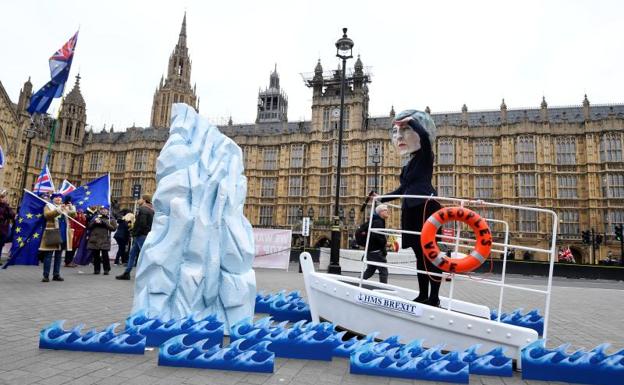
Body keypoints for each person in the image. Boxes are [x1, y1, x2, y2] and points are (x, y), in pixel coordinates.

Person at [379, 109, 443, 307]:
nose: (400, 137)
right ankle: (423, 294)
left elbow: (424, 136)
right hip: (411, 209)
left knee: (430, 253)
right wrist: (381, 198)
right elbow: (403, 189)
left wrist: (412, 121)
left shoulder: (426, 155)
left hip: (425, 206)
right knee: (419, 255)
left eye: (405, 130)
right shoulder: (408, 164)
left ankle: (434, 297)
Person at [40, 192, 76, 282]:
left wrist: (71, 208)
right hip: (52, 232)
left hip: (63, 233)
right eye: (56, 197)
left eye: (60, 198)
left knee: (59, 256)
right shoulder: (48, 206)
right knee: (48, 255)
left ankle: (56, 274)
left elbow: (73, 216)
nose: (58, 199)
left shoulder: (65, 207)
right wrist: (58, 210)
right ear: (53, 199)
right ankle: (46, 275)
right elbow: (47, 215)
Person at [117, 194, 154, 280]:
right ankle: (127, 273)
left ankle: (149, 274)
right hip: (143, 234)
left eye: (140, 198)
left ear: (144, 200)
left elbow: (142, 223)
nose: (138, 200)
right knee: (132, 254)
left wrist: (135, 232)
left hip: (141, 235)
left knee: (144, 255)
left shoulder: (143, 209)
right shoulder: (151, 209)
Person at [362, 204, 390, 284]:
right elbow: (377, 236)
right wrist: (385, 243)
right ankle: (383, 290)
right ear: (380, 212)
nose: (387, 211)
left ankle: (357, 282)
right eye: (385, 210)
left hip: (371, 251)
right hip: (376, 252)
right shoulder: (378, 222)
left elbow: (375, 236)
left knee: (370, 270)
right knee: (383, 271)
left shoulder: (376, 220)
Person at [87, 206, 118, 275]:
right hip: (95, 238)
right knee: (96, 255)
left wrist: (104, 223)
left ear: (108, 211)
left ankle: (106, 269)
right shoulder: (95, 217)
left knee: (105, 255)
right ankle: (96, 269)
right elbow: (89, 227)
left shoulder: (111, 218)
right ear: (100, 210)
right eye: (102, 209)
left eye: (105, 210)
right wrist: (95, 222)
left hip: (105, 238)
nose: (104, 211)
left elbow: (113, 228)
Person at [64, 198, 86, 267]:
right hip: (73, 231)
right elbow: (72, 216)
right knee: (70, 247)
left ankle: (70, 261)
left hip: (79, 232)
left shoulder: (82, 213)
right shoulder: (71, 211)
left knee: (74, 247)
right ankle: (68, 262)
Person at [0, 189, 16, 263]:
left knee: (0, 244)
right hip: (2, 227)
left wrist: (6, 206)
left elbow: (12, 215)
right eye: (2, 197)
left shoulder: (6, 207)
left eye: (5, 197)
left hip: (3, 229)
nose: (4, 199)